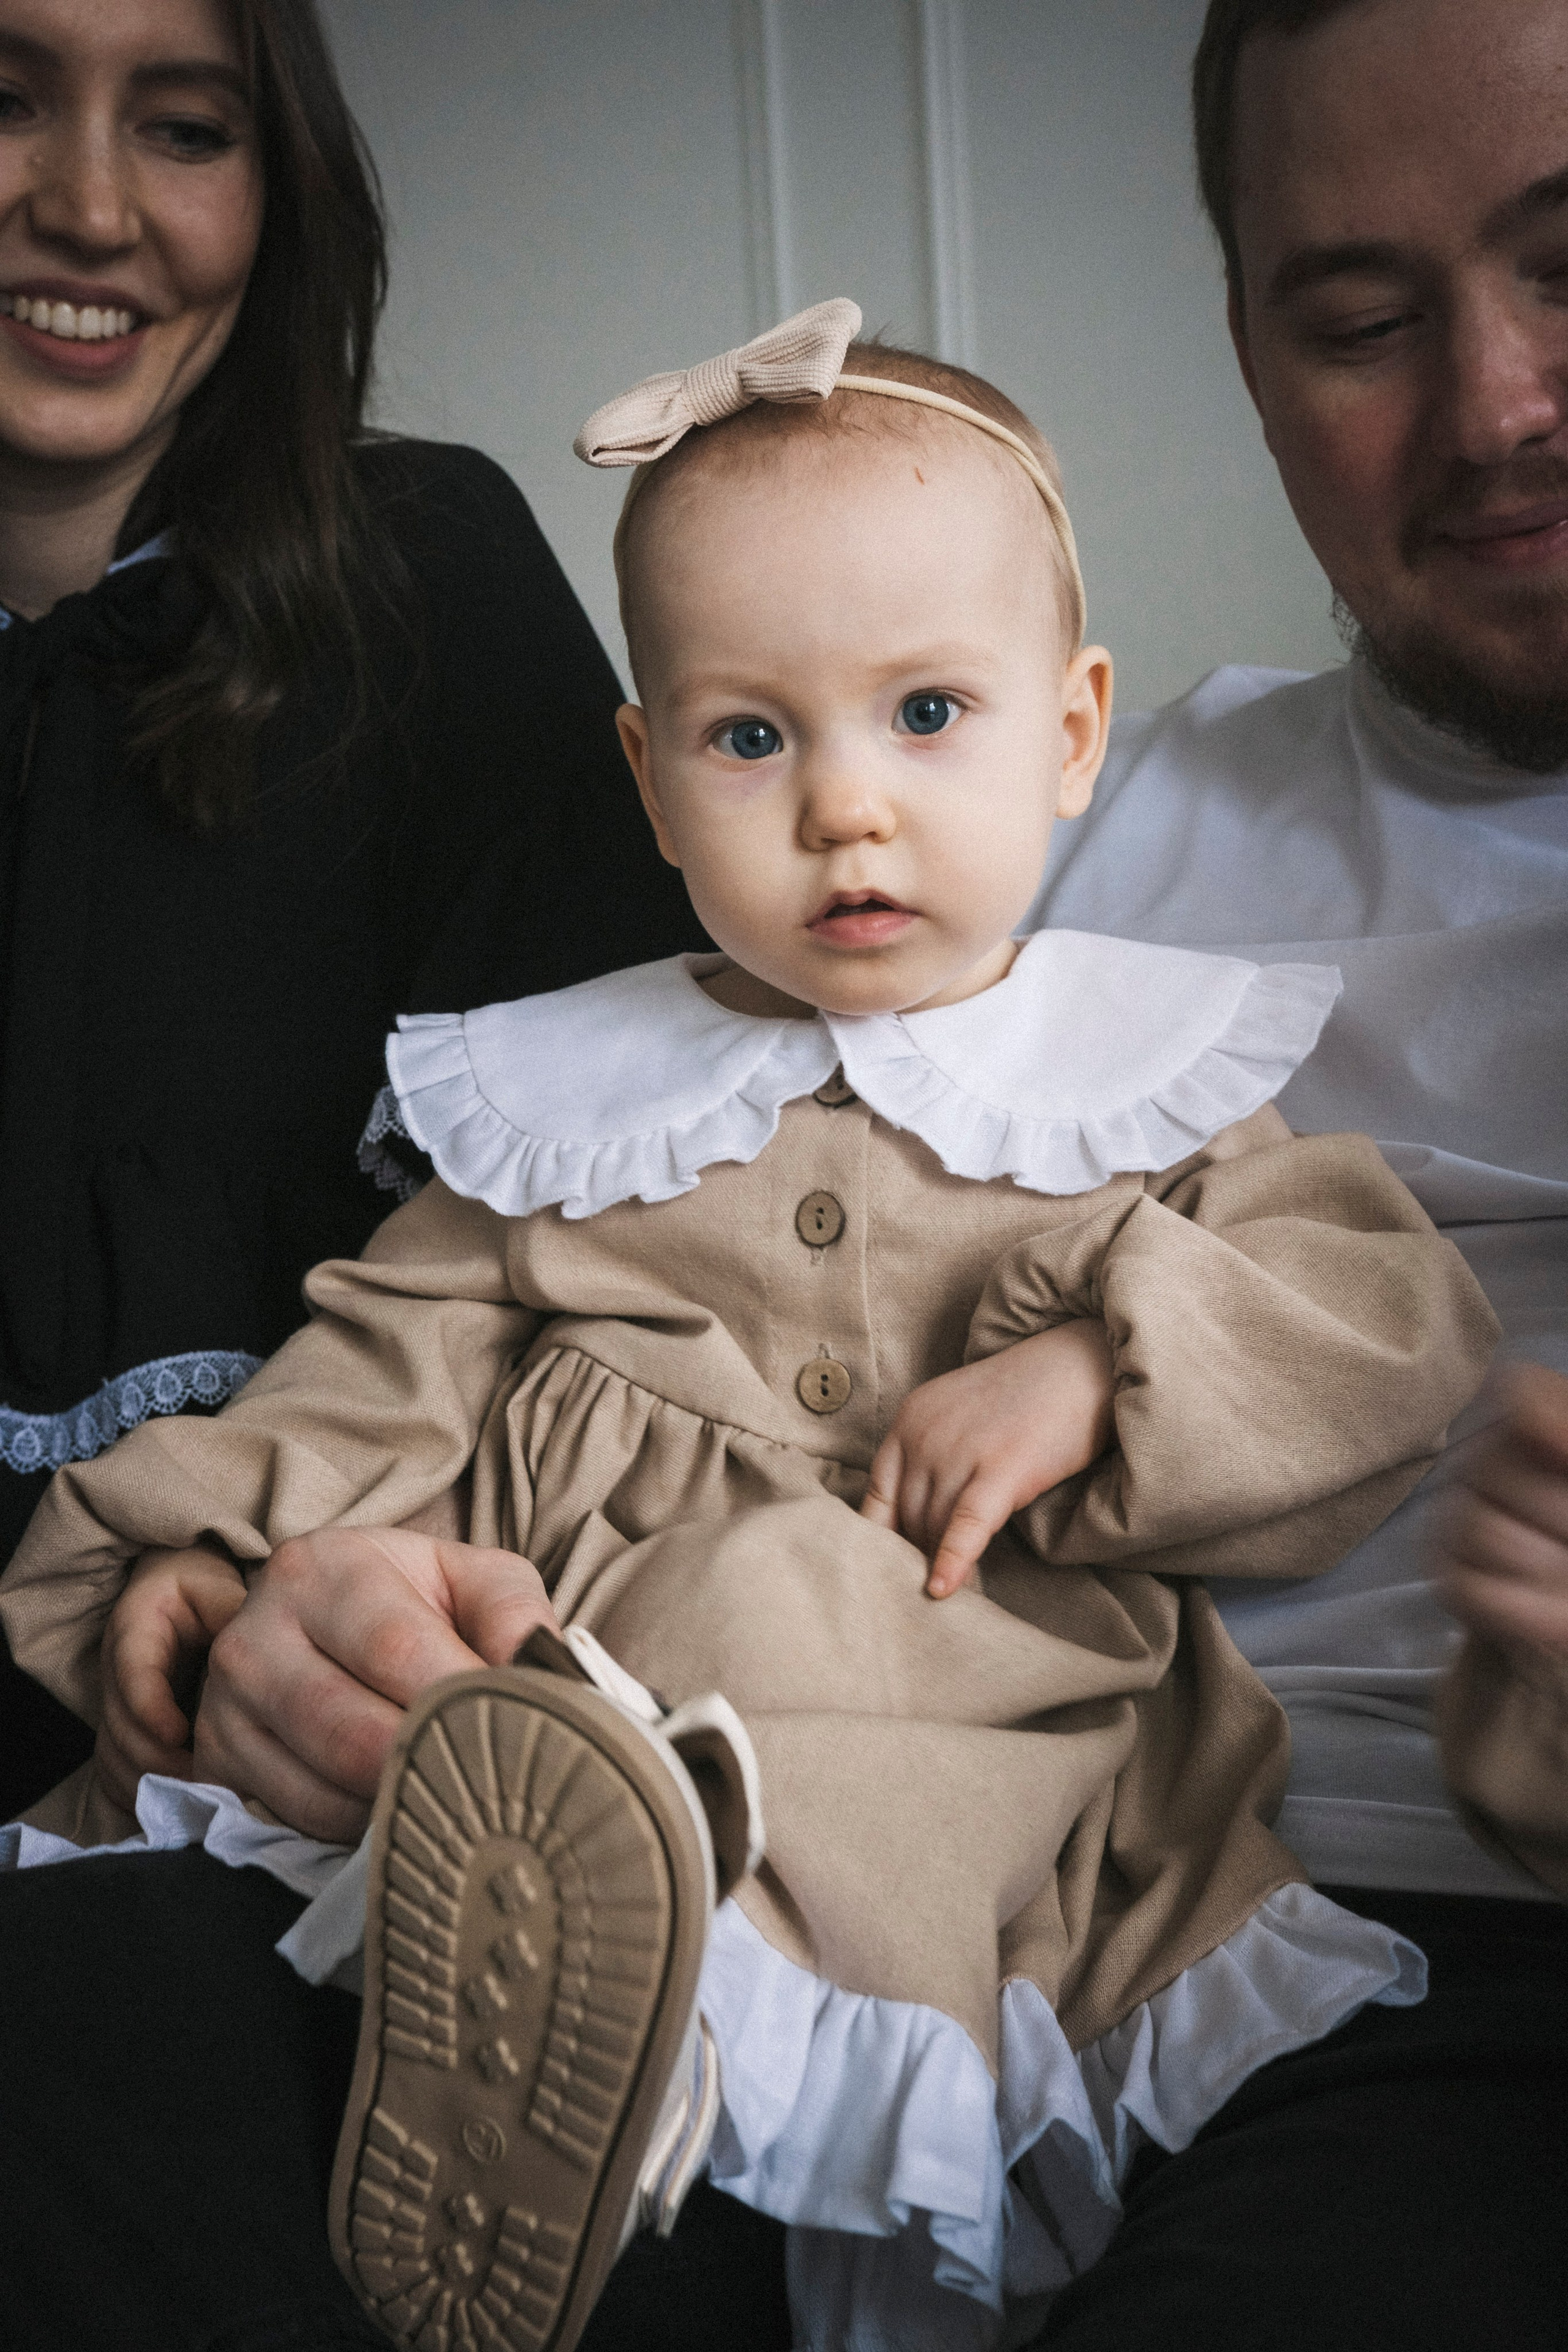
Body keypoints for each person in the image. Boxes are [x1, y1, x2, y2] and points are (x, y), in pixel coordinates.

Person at [0, 301, 1498, 2352]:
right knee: (356, 1834)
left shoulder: (1129, 1074)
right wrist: (197, 1548)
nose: (845, 810)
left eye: (929, 716)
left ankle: (646, 2075)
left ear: (1075, 732)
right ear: (649, 774)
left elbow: (1379, 1312)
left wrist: (1095, 1368)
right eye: (752, 736)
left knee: (820, 1701)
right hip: (561, 1698)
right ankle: (538, 2042)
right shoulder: (563, 1105)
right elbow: (387, 1353)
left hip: (952, 1709)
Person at [1015, 2, 1568, 2345]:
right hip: (999, 1899)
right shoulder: (1063, 821)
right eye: (1359, 321)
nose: (1500, 408)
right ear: (1248, 352)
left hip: (1467, 1963)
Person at [0, 0, 699, 1833]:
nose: (87, 206)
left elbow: (631, 1269)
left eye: (185, 127)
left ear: (284, 192)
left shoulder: (435, 583)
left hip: (320, 1772)